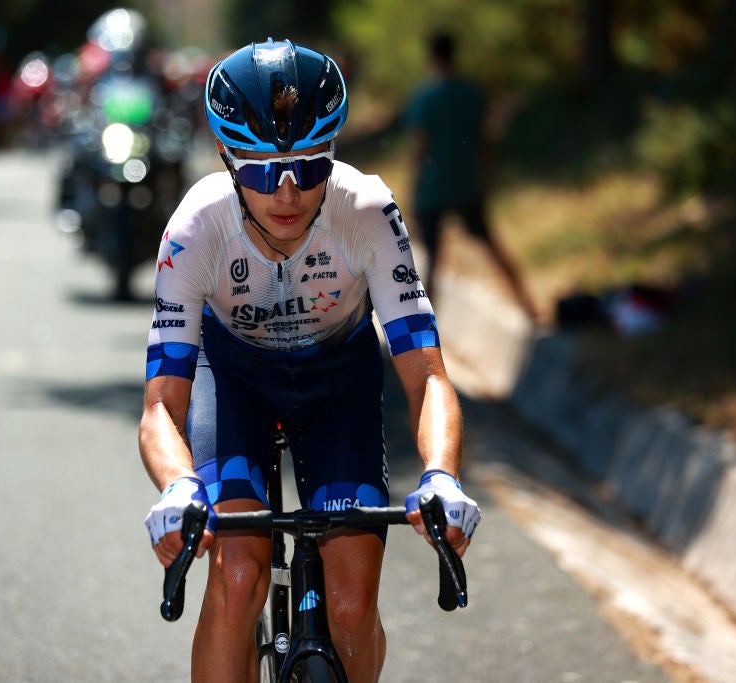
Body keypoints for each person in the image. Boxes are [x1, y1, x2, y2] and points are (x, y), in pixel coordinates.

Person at [139, 39, 481, 682]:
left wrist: (441, 474)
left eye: (311, 165)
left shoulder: (367, 211)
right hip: (233, 380)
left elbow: (426, 375)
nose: (289, 191)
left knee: (352, 605)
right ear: (225, 157)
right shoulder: (195, 229)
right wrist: (178, 487)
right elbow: (162, 404)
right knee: (237, 577)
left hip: (337, 383)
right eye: (265, 171)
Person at [404, 31, 538, 321]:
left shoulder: (424, 98)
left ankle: (424, 328)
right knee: (491, 246)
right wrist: (487, 180)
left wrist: (412, 191)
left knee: (432, 262)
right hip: (467, 185)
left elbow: (419, 149)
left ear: (431, 57)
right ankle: (529, 306)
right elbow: (485, 142)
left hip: (433, 189)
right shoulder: (473, 92)